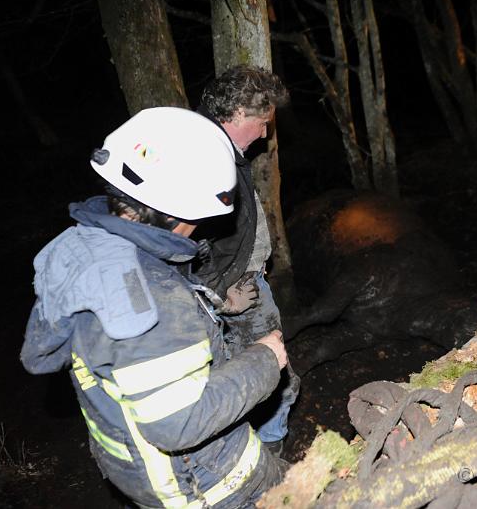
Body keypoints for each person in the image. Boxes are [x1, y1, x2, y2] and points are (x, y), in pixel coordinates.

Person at [21, 107, 289, 507]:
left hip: (136, 471)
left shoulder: (86, 250)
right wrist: (265, 359)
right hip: (211, 485)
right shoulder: (150, 294)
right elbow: (178, 424)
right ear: (184, 209)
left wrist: (214, 304)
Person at [195, 65, 299, 456]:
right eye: (263, 121)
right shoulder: (204, 158)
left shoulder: (224, 151)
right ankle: (265, 466)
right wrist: (219, 298)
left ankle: (262, 457)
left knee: (267, 378)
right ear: (238, 113)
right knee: (270, 379)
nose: (266, 132)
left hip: (245, 284)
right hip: (231, 294)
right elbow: (180, 243)